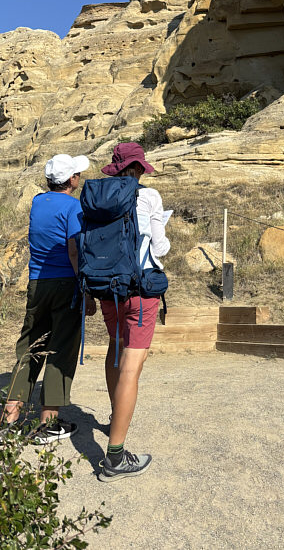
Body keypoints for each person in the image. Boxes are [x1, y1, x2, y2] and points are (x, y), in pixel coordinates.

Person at [3, 153, 94, 443]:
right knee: (60, 350)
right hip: (66, 283)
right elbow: (73, 250)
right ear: (72, 180)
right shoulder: (74, 207)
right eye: (77, 174)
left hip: (37, 282)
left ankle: (8, 422)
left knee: (30, 348)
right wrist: (85, 289)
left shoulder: (37, 202)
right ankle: (48, 424)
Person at [94, 142, 170, 483]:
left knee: (115, 349)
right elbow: (160, 247)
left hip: (108, 289)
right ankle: (115, 457)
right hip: (140, 290)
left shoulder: (97, 199)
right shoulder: (149, 197)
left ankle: (117, 417)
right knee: (131, 366)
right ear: (138, 168)